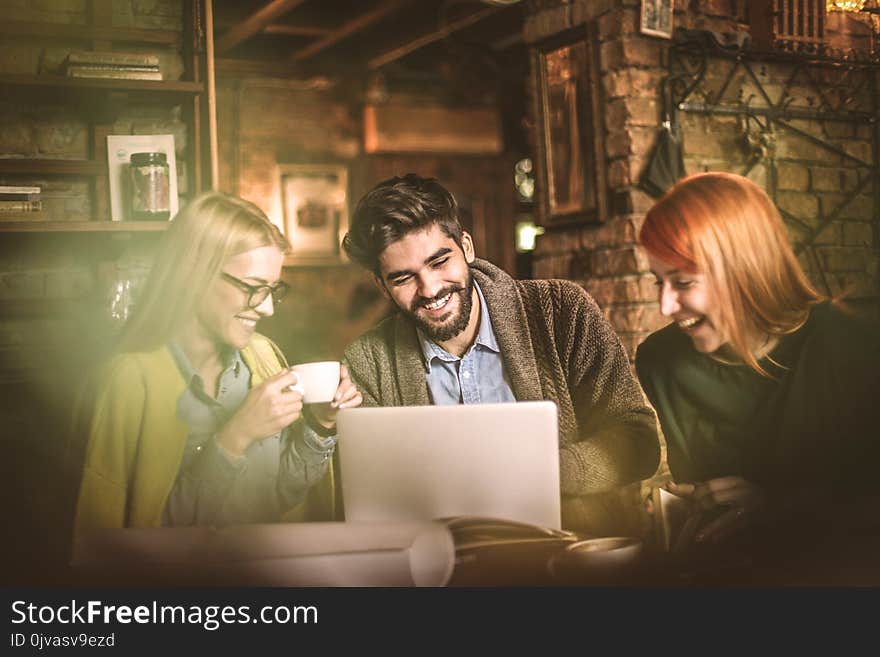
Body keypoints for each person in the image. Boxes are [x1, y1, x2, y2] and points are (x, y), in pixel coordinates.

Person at [341, 174, 660, 534]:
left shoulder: (564, 312)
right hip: (440, 565)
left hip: (571, 556)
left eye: (439, 261)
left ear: (467, 247)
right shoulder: (367, 361)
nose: (430, 289)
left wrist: (545, 471)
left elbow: (639, 442)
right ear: (382, 286)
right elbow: (368, 494)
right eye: (403, 278)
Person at [73, 192, 362, 535]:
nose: (267, 308)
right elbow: (122, 544)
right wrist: (235, 437)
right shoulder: (129, 380)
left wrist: (319, 425)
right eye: (253, 287)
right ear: (195, 276)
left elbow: (278, 497)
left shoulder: (262, 355)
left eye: (273, 289)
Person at [635, 171, 880, 550]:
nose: (665, 306)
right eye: (658, 281)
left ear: (745, 270)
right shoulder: (660, 361)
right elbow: (710, 508)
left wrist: (780, 511)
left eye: (683, 283)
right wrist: (681, 511)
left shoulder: (853, 342)